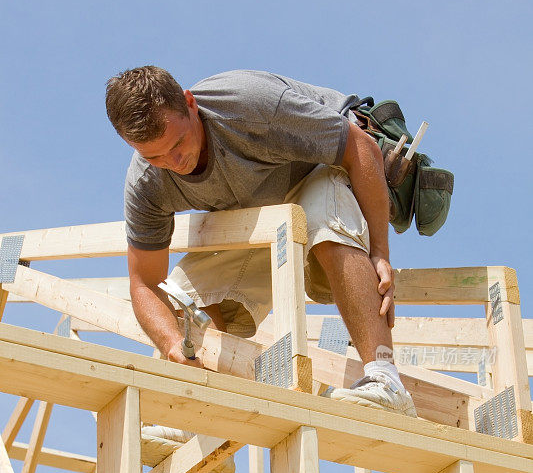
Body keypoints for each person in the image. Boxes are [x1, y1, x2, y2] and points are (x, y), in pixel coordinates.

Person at [105, 66, 417, 417]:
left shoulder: (249, 107)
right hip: (266, 213)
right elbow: (145, 284)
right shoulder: (147, 183)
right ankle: (201, 418)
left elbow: (359, 148)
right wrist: (173, 344)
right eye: (154, 157)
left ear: (191, 104)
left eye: (178, 143)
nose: (173, 163)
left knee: (319, 212)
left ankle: (386, 380)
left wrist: (379, 252)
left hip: (324, 171)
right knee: (182, 300)